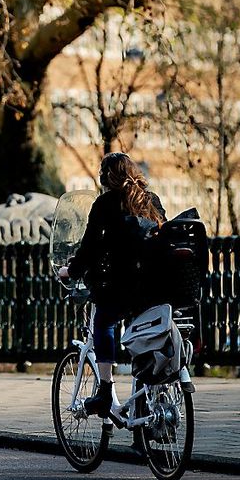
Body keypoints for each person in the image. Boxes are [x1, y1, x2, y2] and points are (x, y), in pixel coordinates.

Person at [59, 152, 166, 418]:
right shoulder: (151, 200)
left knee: (104, 322)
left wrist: (70, 270)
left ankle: (105, 390)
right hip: (154, 287)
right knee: (142, 344)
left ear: (106, 178)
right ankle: (142, 423)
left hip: (121, 287)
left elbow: (90, 247)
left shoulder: (105, 203)